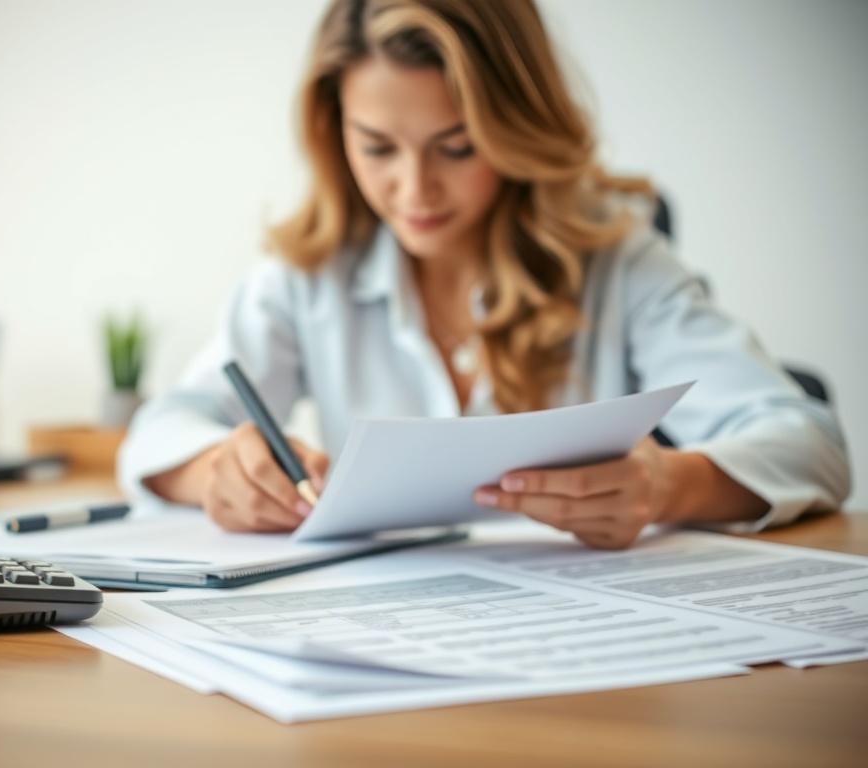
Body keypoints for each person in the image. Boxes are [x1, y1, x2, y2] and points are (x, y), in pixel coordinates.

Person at [118, 0, 851, 549]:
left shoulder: (618, 263)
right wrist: (217, 469)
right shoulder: (307, 275)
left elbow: (809, 442)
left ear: (517, 129)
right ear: (332, 130)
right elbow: (161, 430)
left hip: (593, 660)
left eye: (458, 147)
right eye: (377, 148)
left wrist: (666, 485)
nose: (415, 190)